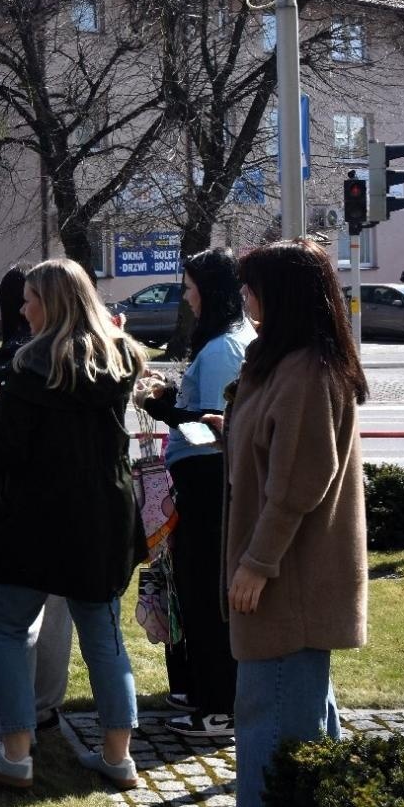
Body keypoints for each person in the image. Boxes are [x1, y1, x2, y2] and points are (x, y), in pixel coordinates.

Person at [0, 258, 145, 792]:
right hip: (102, 517)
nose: (22, 308)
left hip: (35, 519)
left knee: (3, 628)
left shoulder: (33, 367)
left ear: (52, 304)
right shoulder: (119, 359)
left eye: (30, 297)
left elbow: (5, 448)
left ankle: (14, 755)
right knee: (104, 635)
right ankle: (118, 757)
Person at [226, 240, 369, 807]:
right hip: (288, 578)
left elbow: (298, 483)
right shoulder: (283, 359)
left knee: (274, 727)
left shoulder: (307, 369)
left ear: (279, 294)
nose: (244, 296)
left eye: (252, 286)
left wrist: (257, 565)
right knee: (303, 721)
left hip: (291, 583)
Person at [136, 249, 253, 737]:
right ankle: (204, 691)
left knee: (205, 595)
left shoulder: (225, 346)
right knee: (198, 593)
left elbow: (214, 430)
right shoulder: (225, 342)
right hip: (206, 484)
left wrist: (160, 406)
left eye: (189, 287)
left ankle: (219, 705)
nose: (186, 297)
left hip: (208, 488)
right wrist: (169, 399)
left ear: (212, 289)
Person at [0, 267, 72, 753]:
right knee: (54, 614)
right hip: (68, 511)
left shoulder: (17, 366)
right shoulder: (90, 362)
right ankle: (41, 710)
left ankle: (6, 723)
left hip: (12, 511)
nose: (21, 309)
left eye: (28, 299)